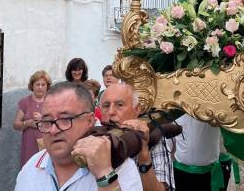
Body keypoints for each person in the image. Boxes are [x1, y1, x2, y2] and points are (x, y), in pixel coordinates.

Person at [14, 82, 142, 191]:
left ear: (90, 120)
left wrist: (105, 177)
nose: (53, 130)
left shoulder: (119, 168)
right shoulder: (31, 167)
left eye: (65, 119)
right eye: (47, 121)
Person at [99, 83, 174, 191]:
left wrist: (144, 154)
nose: (111, 112)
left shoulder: (152, 138)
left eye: (119, 105)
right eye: (106, 106)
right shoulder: (94, 138)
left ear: (136, 110)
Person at [13, 70, 51, 165]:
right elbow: (16, 125)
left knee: (45, 167)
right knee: (29, 167)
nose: (40, 87)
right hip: (29, 144)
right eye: (37, 84)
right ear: (32, 86)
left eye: (43, 85)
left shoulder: (51, 102)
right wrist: (28, 123)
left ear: (47, 86)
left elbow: (58, 122)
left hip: (46, 143)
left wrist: (43, 119)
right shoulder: (25, 102)